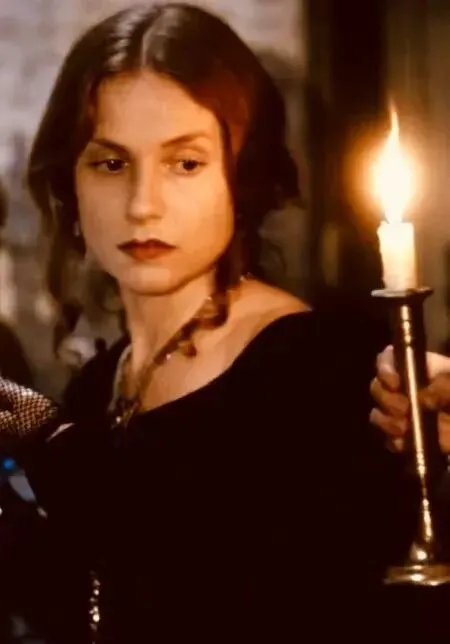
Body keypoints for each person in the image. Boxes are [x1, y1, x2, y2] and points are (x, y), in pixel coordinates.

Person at [0, 4, 406, 642]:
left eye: (184, 163)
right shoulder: (98, 385)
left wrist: (48, 442)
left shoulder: (316, 370)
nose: (143, 204)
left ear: (241, 178)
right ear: (69, 184)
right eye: (111, 164)